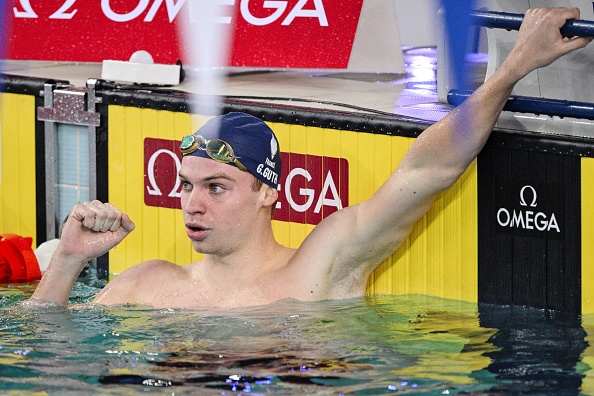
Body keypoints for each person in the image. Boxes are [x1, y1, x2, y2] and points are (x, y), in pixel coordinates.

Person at [30, 8, 592, 308]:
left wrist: (516, 63)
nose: (191, 205)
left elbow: (428, 168)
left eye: (216, 187)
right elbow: (46, 350)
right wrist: (68, 261)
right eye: (184, 185)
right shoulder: (146, 284)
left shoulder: (321, 265)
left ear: (268, 191)